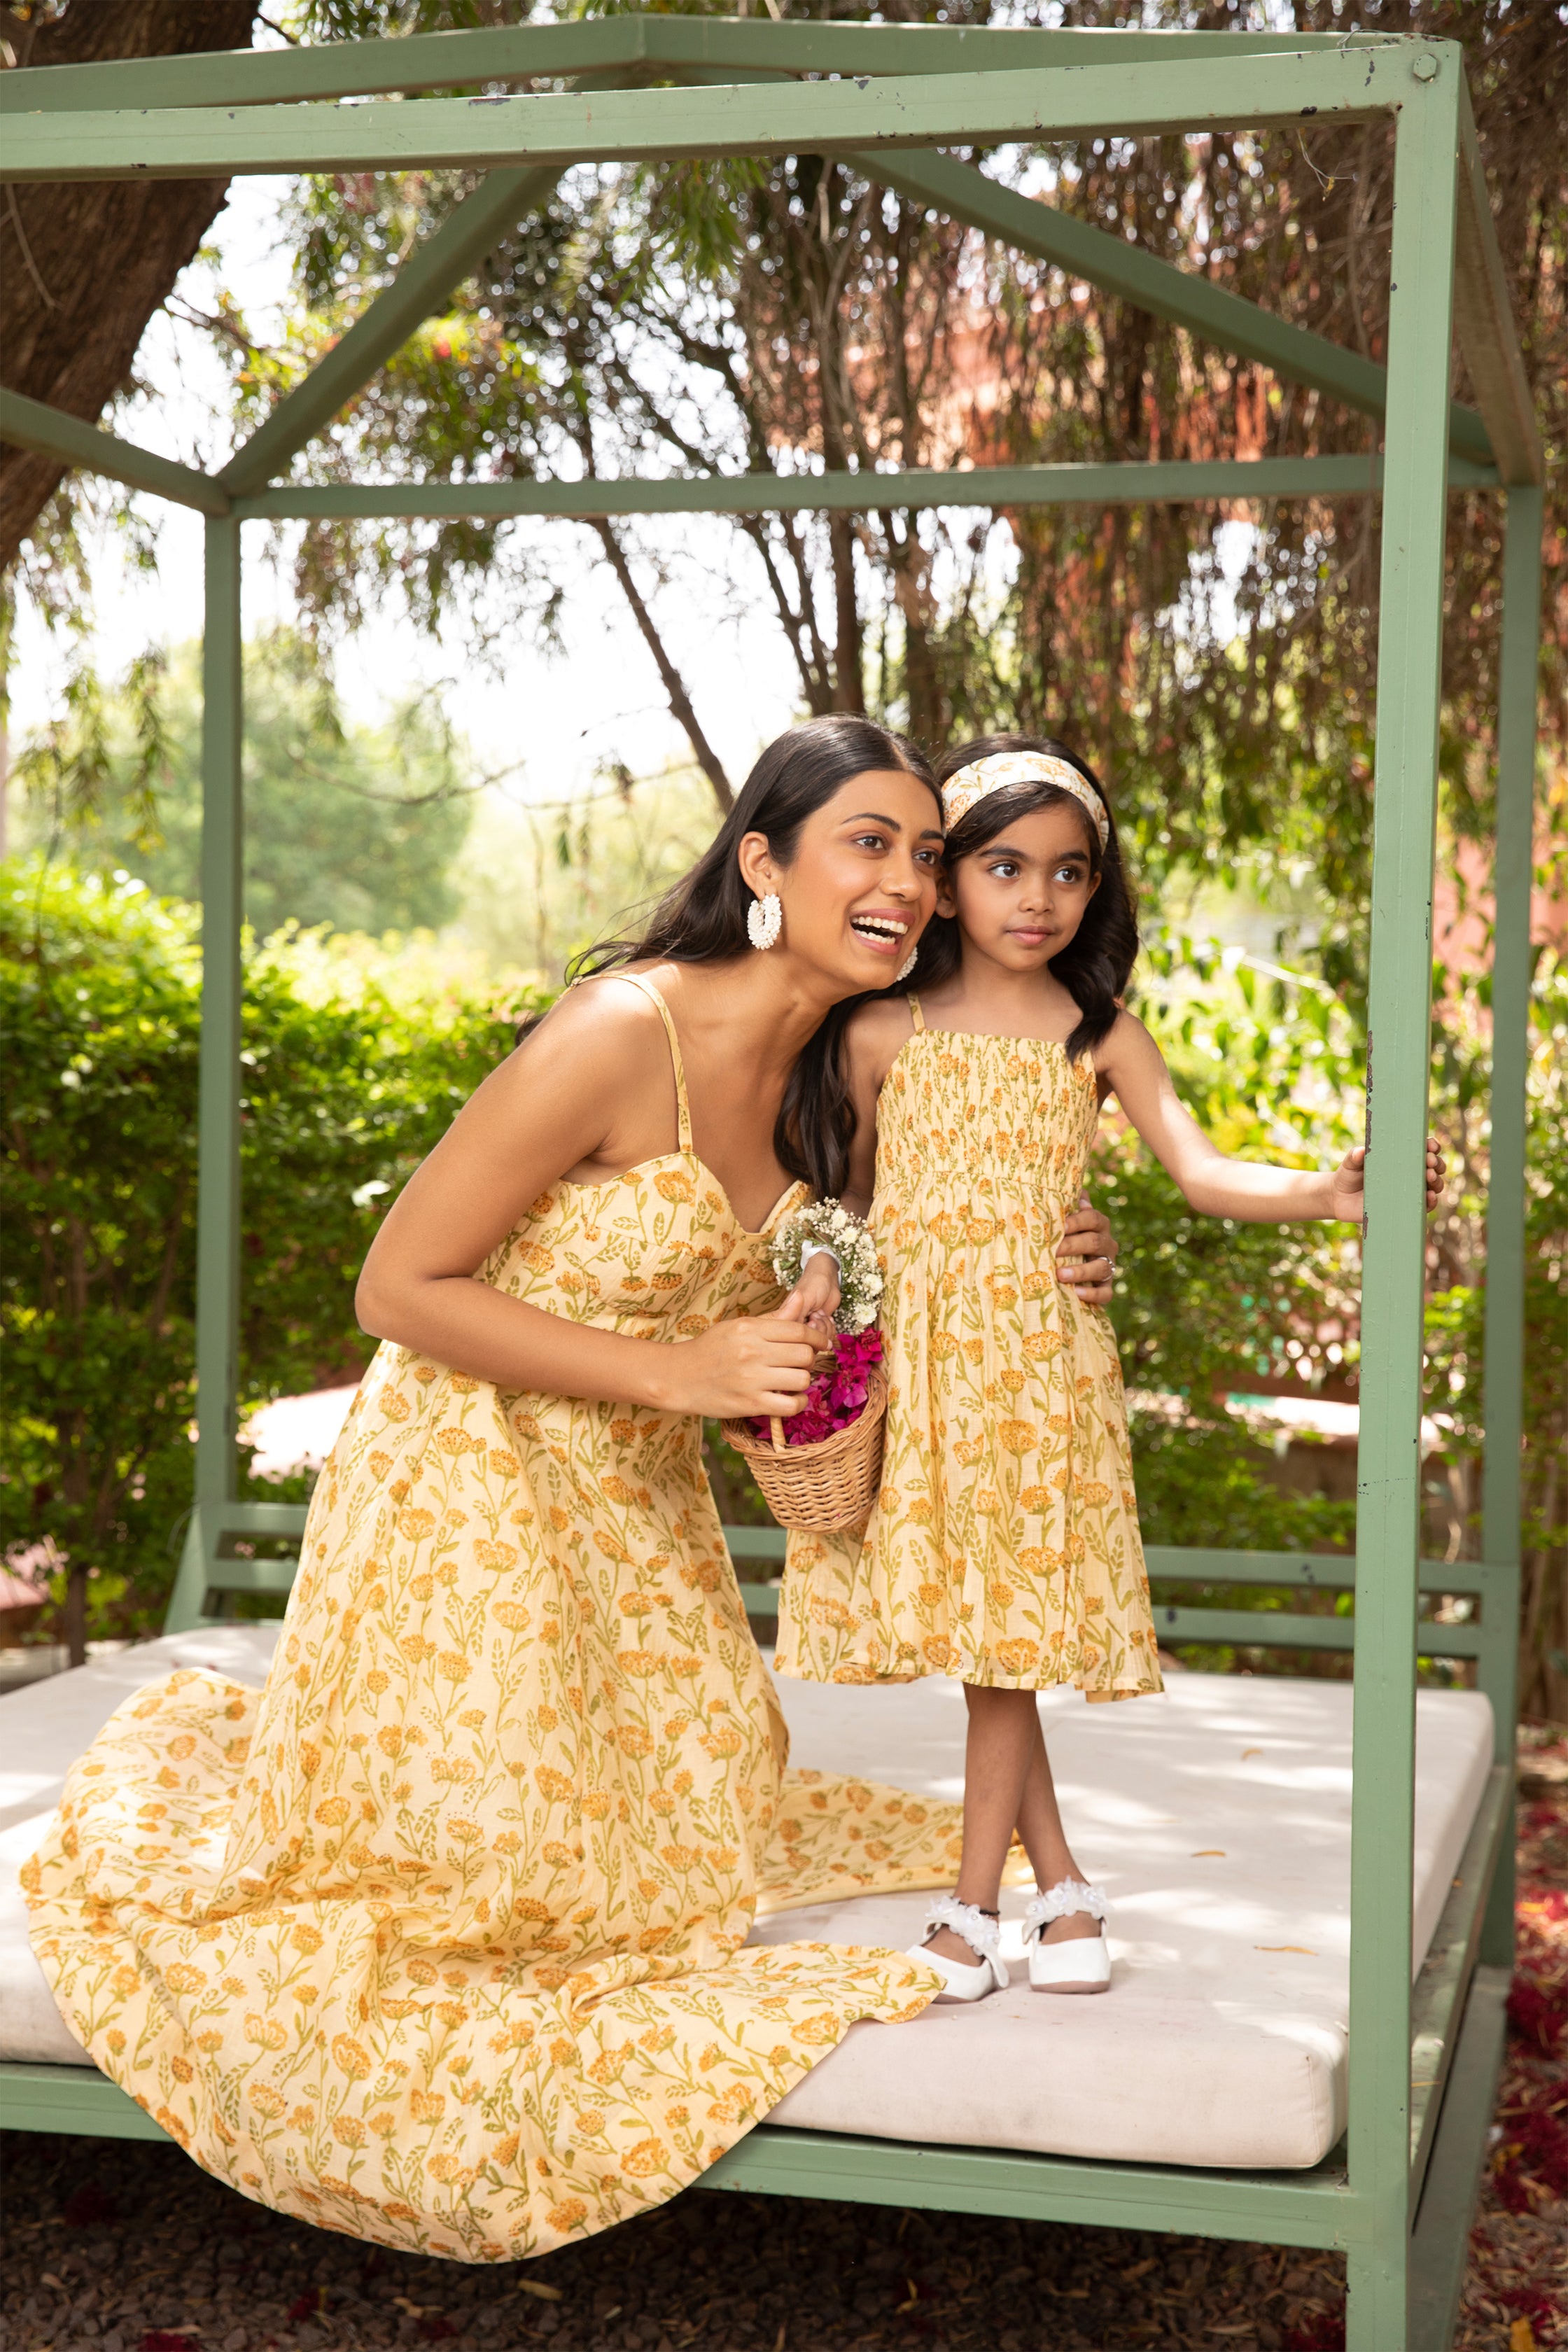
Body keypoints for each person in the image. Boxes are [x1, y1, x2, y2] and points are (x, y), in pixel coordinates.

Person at [25, 718, 1122, 2260]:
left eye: (925, 855)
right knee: (487, 1900)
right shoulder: (623, 1031)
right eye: (866, 842)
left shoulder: (844, 1074)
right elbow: (395, 1284)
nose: (909, 883)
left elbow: (940, 1250)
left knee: (676, 1861)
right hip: (462, 1499)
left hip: (638, 1519)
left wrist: (1076, 1250)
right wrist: (683, 1373)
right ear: (763, 861)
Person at [774, 736, 1444, 2003]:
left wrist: (1327, 1191)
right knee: (989, 1644)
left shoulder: (1098, 1031)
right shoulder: (877, 1027)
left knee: (1005, 1641)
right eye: (1005, 866)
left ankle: (976, 1912)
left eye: (1069, 872)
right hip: (925, 1367)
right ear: (949, 878)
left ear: (1097, 889)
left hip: (1041, 1364)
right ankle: (1062, 1887)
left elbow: (1199, 1169)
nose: (1037, 898)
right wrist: (821, 1277)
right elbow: (844, 1200)